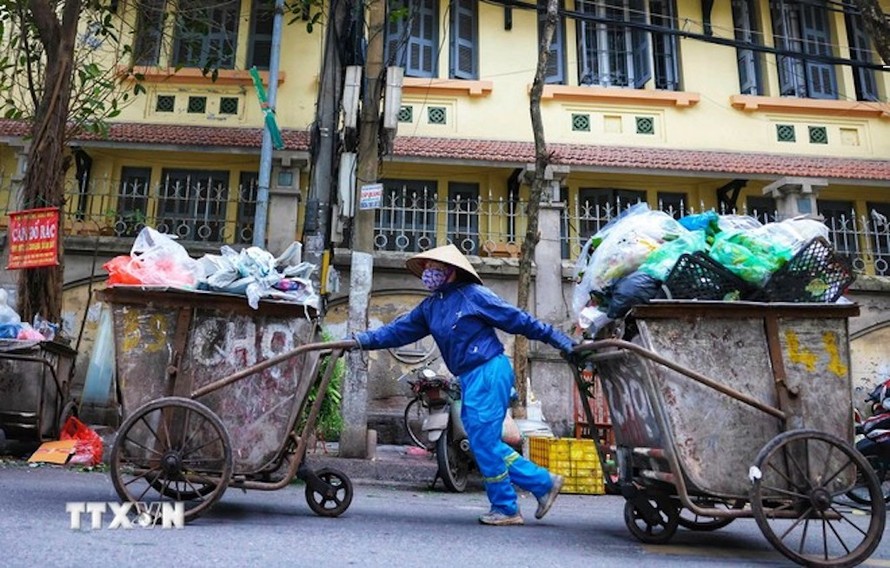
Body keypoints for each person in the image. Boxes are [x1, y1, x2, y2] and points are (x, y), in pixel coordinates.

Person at [351, 244, 578, 526]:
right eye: (426, 268)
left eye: (434, 268)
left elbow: (521, 321)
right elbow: (398, 331)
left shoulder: (474, 296)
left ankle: (507, 508)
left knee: (482, 442)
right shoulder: (431, 308)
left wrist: (561, 341)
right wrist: (362, 340)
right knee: (483, 443)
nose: (428, 273)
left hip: (488, 370)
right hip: (470, 377)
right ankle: (543, 483)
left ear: (451, 272)